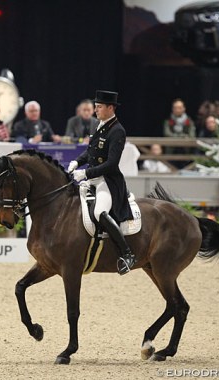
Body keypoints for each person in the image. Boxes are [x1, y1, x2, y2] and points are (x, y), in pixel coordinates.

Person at [68, 90, 135, 275]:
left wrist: (86, 173)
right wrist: (77, 161)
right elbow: (90, 152)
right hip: (93, 178)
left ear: (110, 108)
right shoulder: (99, 125)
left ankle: (127, 254)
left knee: (99, 212)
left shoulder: (118, 131)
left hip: (108, 180)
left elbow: (111, 164)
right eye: (95, 106)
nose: (95, 110)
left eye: (98, 107)